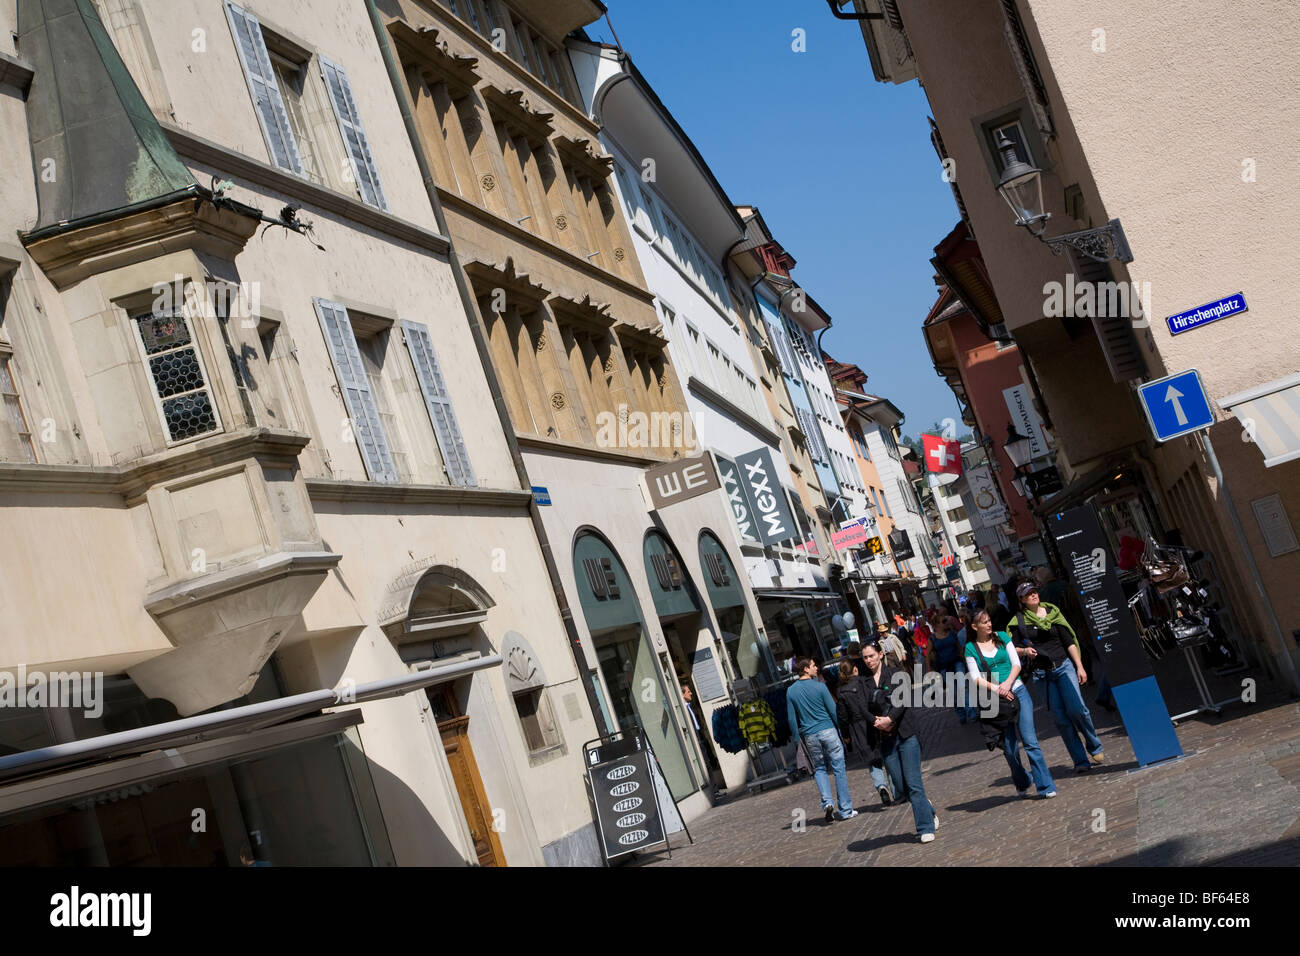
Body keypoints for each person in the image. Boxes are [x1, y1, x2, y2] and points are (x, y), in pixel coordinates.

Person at [1008, 581, 1105, 772]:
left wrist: (1080, 666)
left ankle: (1094, 745)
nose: (1034, 595)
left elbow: (1068, 640)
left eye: (1035, 591)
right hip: (1041, 675)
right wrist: (1025, 651)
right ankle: (1080, 761)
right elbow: (1011, 649)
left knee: (1078, 709)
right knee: (1061, 718)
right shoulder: (1018, 621)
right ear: (1022, 600)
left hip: (1064, 667)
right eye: (1028, 594)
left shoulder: (1053, 612)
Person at [965, 610, 1056, 798]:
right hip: (997, 700)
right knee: (1010, 748)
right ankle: (1022, 780)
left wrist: (1007, 684)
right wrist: (998, 689)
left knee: (1030, 742)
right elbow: (975, 678)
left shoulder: (1003, 636)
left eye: (989, 620)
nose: (989, 625)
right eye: (984, 622)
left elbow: (1016, 663)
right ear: (975, 627)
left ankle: (1045, 786)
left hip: (1018, 692)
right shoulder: (970, 648)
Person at [859, 642, 937, 843]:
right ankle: (927, 809)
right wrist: (876, 722)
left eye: (871, 656)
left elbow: (903, 699)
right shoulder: (863, 682)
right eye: (865, 657)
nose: (869, 660)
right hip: (885, 739)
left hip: (906, 734)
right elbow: (861, 708)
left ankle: (925, 827)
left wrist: (890, 719)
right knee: (900, 788)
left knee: (913, 783)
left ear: (880, 654)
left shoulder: (895, 673)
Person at [786, 657, 857, 822]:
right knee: (839, 768)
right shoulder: (820, 686)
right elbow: (833, 710)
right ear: (805, 669)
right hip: (828, 731)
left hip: (810, 735)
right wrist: (842, 731)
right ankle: (845, 810)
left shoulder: (791, 691)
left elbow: (791, 719)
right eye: (813, 665)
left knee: (819, 769)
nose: (816, 668)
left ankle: (827, 804)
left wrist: (798, 740)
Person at [836, 657, 894, 805]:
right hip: (873, 720)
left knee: (872, 760)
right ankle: (895, 788)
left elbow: (842, 716)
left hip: (857, 727)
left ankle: (881, 786)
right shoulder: (864, 681)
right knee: (886, 755)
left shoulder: (841, 691)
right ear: (855, 668)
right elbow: (876, 699)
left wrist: (846, 735)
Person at [931, 615, 975, 723]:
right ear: (937, 624)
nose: (946, 622)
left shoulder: (952, 633)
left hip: (957, 663)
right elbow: (928, 655)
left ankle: (972, 713)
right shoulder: (932, 638)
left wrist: (965, 661)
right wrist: (929, 670)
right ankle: (961, 714)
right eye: (943, 621)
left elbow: (959, 648)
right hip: (944, 668)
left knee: (963, 687)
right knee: (954, 692)